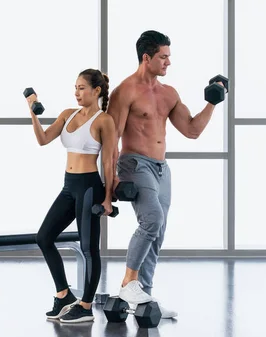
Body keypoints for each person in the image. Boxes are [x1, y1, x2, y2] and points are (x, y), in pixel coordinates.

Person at [107, 30, 227, 318]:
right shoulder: (125, 92)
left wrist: (213, 101)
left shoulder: (169, 93)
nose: (168, 63)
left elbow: (192, 130)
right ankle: (128, 282)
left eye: (169, 57)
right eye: (163, 57)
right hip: (134, 164)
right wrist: (110, 183)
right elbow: (111, 141)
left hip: (162, 168)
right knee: (152, 220)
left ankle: (143, 297)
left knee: (157, 232)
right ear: (146, 57)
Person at [27, 69, 116, 323]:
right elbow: (43, 140)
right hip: (69, 185)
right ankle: (64, 295)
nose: (77, 93)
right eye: (75, 88)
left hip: (90, 187)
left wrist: (108, 198)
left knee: (89, 248)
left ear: (96, 91)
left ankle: (86, 307)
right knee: (44, 237)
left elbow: (108, 163)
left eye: (82, 88)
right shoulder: (68, 114)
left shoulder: (103, 120)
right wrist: (33, 112)